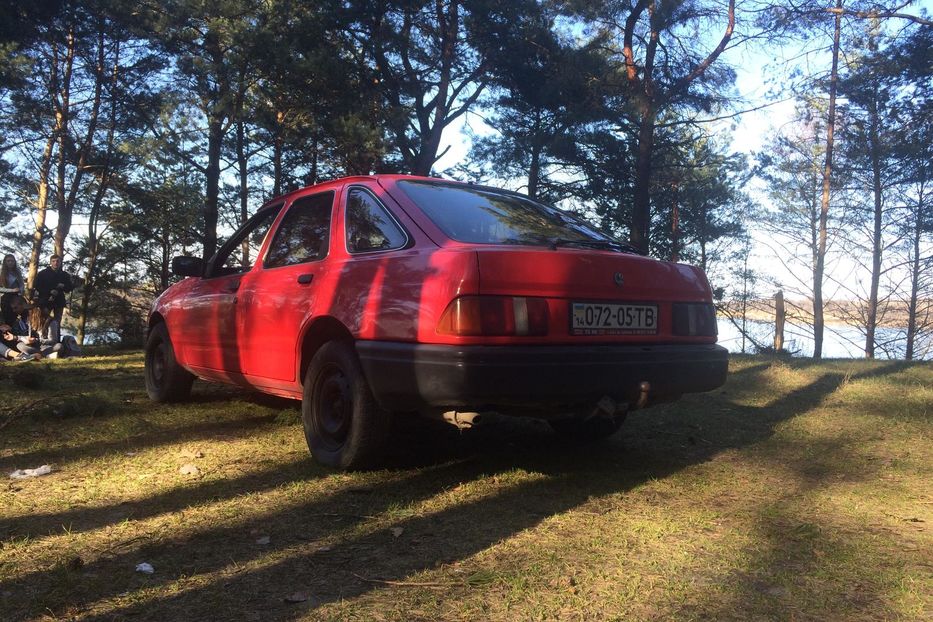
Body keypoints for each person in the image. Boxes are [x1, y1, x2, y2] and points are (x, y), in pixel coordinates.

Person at [33, 254, 73, 343]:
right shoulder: (43, 274)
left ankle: (57, 341)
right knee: (45, 320)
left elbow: (69, 288)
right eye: (53, 261)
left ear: (60, 262)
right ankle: (42, 340)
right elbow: (37, 286)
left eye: (57, 261)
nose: (56, 263)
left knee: (57, 322)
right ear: (50, 262)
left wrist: (63, 286)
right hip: (45, 301)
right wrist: (49, 291)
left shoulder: (64, 275)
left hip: (59, 301)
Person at [0, 254, 24, 321]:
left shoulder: (17, 271)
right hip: (6, 299)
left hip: (17, 298)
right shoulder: (1, 272)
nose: (10, 262)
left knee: (20, 317)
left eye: (12, 261)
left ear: (14, 262)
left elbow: (22, 284)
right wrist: (12, 290)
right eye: (8, 261)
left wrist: (21, 291)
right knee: (8, 319)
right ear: (5, 262)